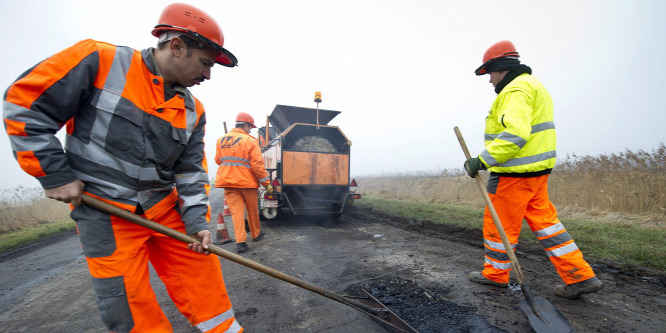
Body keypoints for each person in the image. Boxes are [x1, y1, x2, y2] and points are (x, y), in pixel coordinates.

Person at [3, 3, 243, 332]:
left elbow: (190, 172)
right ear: (176, 46)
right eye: (204, 63)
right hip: (104, 212)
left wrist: (196, 221)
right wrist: (54, 174)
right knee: (129, 306)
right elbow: (23, 106)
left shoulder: (193, 111)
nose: (207, 75)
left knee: (203, 276)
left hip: (162, 208)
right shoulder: (100, 61)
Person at [465, 40, 604, 299]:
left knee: (499, 225)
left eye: (490, 73)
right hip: (536, 173)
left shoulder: (514, 91)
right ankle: (580, 276)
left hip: (514, 175)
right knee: (548, 225)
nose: (489, 81)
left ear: (500, 67)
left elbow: (516, 133)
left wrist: (482, 161)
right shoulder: (534, 85)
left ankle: (495, 274)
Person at [214, 112, 273, 253]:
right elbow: (257, 166)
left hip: (228, 182)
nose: (250, 130)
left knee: (236, 213)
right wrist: (266, 184)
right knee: (252, 211)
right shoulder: (250, 141)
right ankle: (256, 234)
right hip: (247, 183)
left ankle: (241, 242)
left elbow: (218, 160)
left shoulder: (220, 140)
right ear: (245, 125)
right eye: (250, 127)